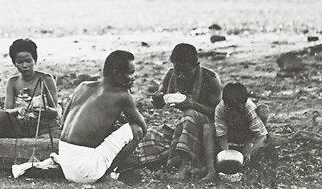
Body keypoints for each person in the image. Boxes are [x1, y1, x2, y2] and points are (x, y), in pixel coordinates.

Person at [52, 50, 147, 184]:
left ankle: (103, 169)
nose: (134, 77)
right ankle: (107, 175)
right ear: (117, 74)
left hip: (66, 164)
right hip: (86, 171)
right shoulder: (122, 95)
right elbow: (142, 127)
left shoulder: (82, 86)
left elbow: (63, 121)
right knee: (136, 130)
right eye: (130, 73)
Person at [137, 43, 222, 182]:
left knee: (188, 114)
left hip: (206, 133)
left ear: (197, 65)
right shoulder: (170, 74)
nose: (181, 75)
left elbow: (219, 114)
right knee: (150, 135)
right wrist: (157, 98)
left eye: (186, 71)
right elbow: (159, 102)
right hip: (181, 129)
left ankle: (184, 167)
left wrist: (194, 105)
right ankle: (165, 165)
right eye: (178, 70)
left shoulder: (210, 78)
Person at [0, 39, 60, 138]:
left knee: (47, 139)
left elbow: (55, 112)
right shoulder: (13, 82)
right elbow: (7, 111)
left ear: (35, 60)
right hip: (20, 126)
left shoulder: (46, 80)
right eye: (20, 62)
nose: (25, 65)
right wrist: (18, 110)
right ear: (14, 63)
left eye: (28, 61)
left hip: (42, 126)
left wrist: (44, 110)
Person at [214, 82, 276, 181]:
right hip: (231, 131)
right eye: (230, 108)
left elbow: (261, 135)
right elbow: (222, 134)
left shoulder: (249, 108)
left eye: (237, 108)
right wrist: (226, 154)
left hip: (247, 132)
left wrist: (249, 152)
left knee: (262, 111)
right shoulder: (220, 108)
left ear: (244, 103)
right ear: (225, 103)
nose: (234, 112)